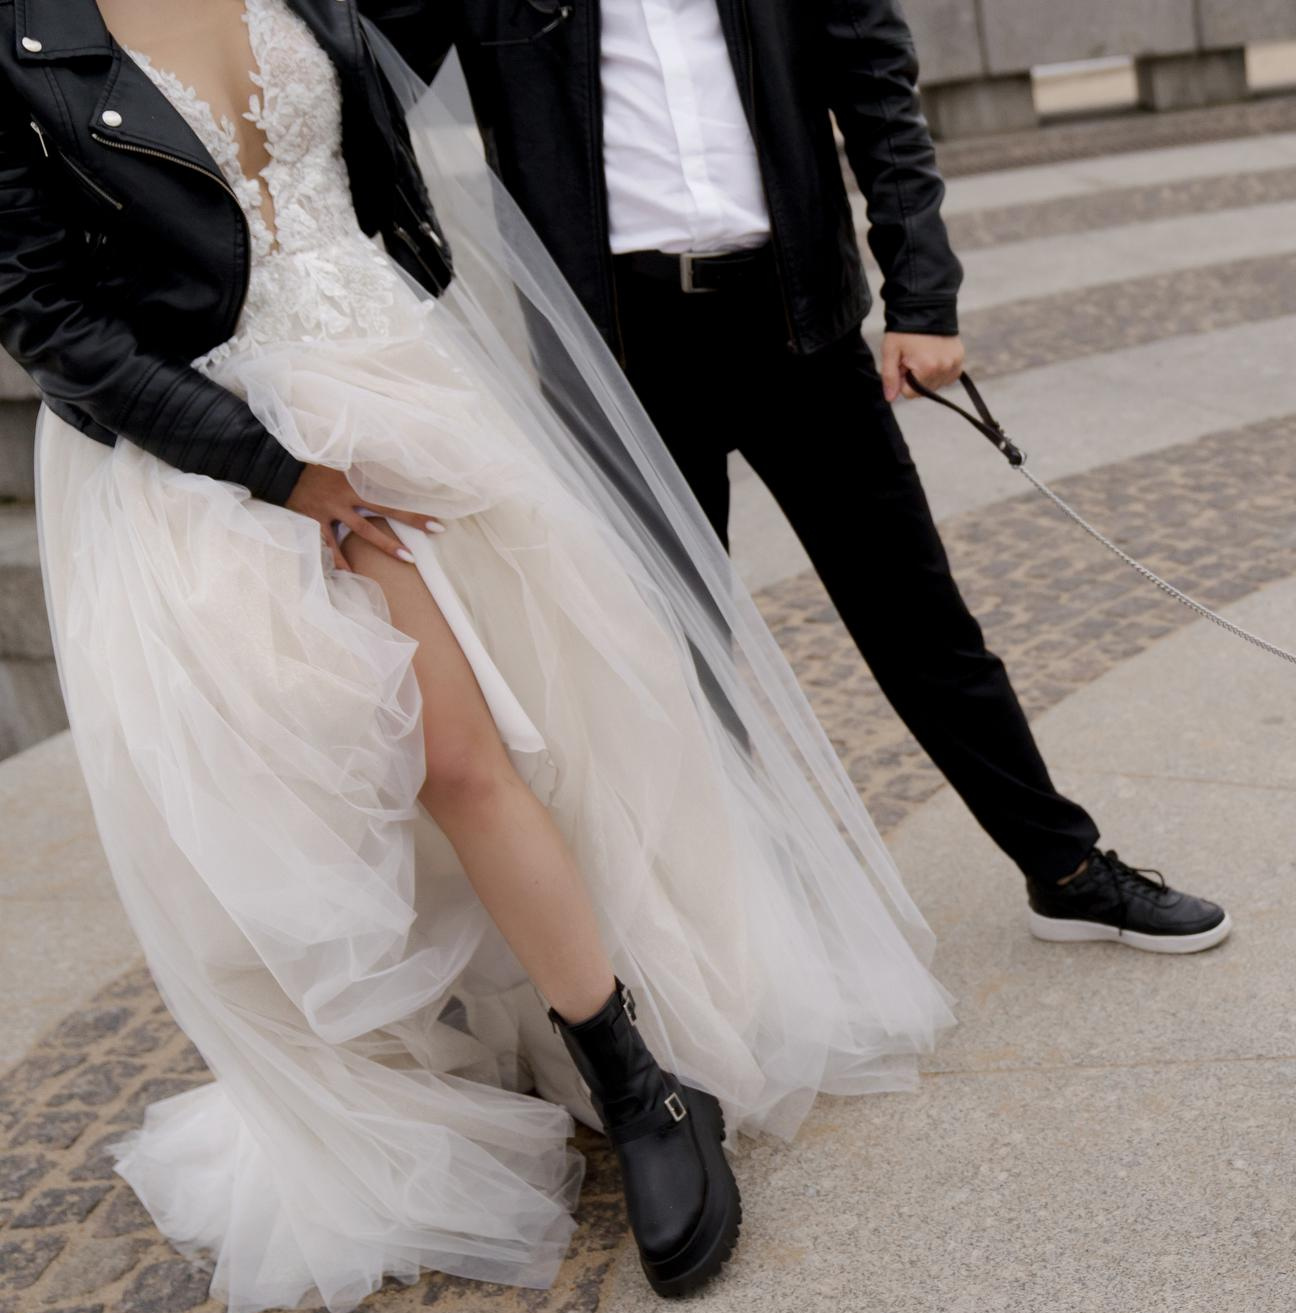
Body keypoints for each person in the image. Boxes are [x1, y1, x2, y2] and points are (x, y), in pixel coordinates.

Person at [0, 0, 955, 1311]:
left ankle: (632, 1050)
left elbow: (381, 163)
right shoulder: (25, 38)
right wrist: (279, 467)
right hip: (213, 449)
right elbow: (49, 322)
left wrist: (401, 327)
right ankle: (631, 1079)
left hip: (400, 382)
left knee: (570, 711)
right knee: (438, 757)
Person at [368, 0, 1232, 955]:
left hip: (795, 325)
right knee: (679, 655)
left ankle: (1064, 869)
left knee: (923, 623)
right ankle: (748, 925)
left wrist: (923, 296)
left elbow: (878, 91)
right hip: (617, 352)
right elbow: (355, 65)